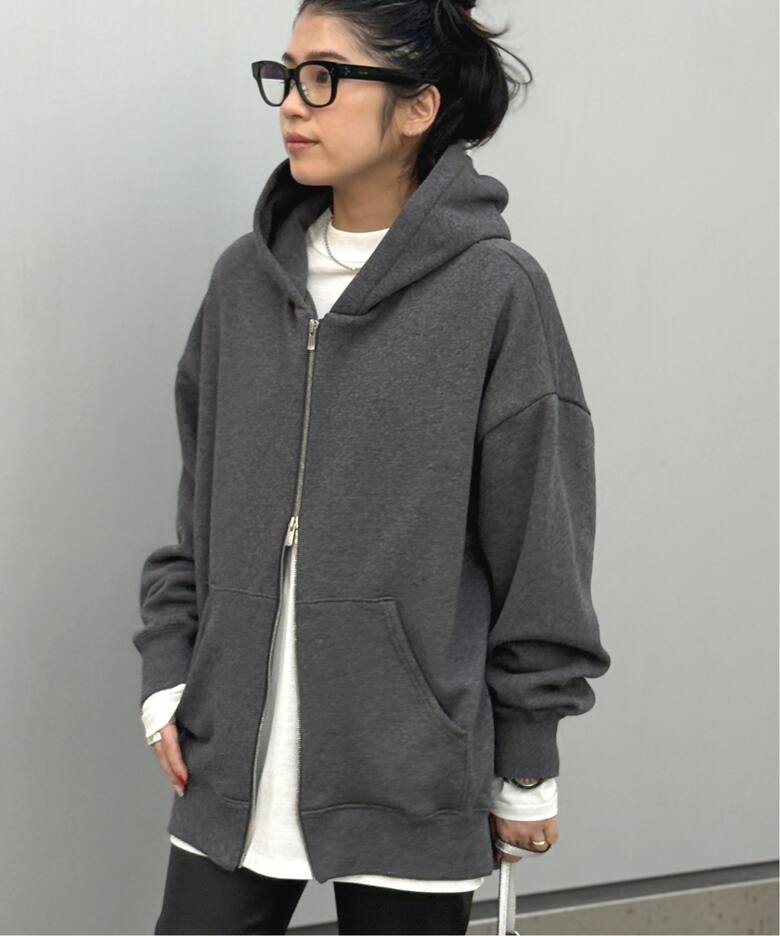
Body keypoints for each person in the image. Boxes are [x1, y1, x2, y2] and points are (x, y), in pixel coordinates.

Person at [133, 0, 612, 933]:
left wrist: (527, 759)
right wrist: (169, 673)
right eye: (286, 74)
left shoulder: (495, 293)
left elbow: (541, 546)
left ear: (418, 107)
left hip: (411, 771)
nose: (292, 103)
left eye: (324, 77)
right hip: (229, 764)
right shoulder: (244, 284)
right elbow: (197, 514)